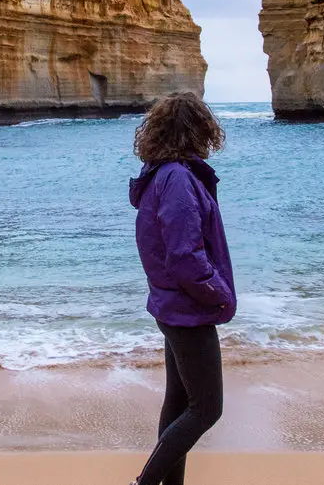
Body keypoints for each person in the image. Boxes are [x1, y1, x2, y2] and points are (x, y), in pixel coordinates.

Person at [127, 92, 237, 485]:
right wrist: (218, 293)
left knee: (178, 405)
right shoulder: (177, 179)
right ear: (198, 129)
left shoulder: (162, 174)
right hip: (186, 309)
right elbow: (185, 256)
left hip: (172, 306)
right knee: (207, 408)